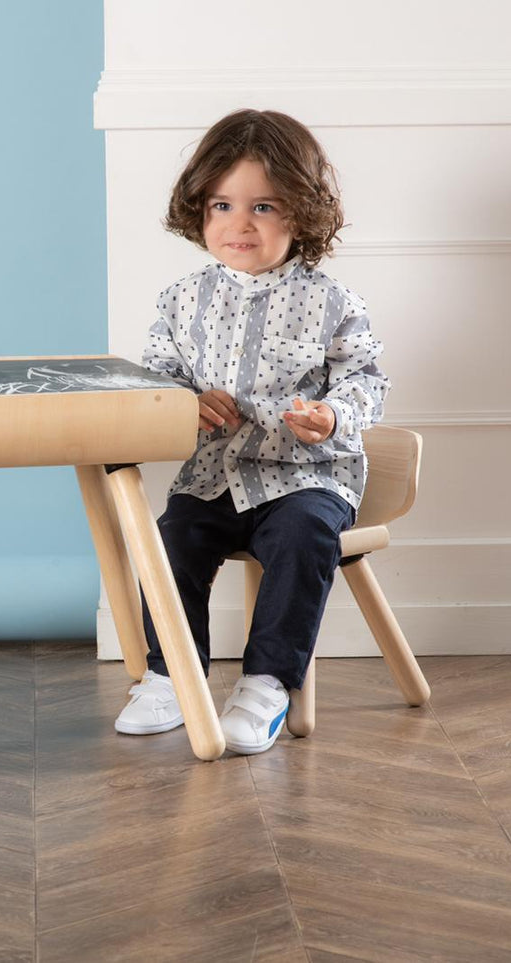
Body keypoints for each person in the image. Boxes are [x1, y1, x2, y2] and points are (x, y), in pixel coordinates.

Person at [114, 108, 390, 755]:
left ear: (300, 213)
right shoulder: (180, 300)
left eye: (263, 207)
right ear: (198, 211)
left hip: (304, 478)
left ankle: (266, 682)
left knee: (302, 537)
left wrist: (330, 417)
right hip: (214, 476)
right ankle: (168, 673)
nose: (239, 224)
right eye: (222, 205)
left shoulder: (333, 303)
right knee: (171, 540)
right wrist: (182, 403)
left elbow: (367, 383)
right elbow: (154, 381)